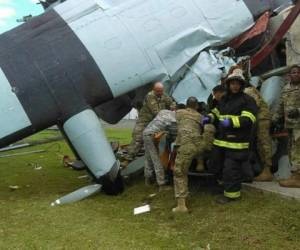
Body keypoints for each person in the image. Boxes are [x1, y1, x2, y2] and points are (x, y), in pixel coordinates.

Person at [206, 69, 258, 204]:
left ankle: (232, 195)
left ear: (241, 85)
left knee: (231, 169)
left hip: (237, 142)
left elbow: (249, 119)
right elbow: (217, 112)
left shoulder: (247, 100)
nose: (235, 86)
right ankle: (223, 186)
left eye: (237, 84)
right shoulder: (224, 99)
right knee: (214, 164)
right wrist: (209, 117)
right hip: (221, 141)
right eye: (232, 83)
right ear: (228, 84)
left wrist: (231, 122)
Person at [173, 97, 215, 213]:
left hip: (187, 146)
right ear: (197, 106)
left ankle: (181, 206)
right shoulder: (200, 116)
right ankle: (200, 164)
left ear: (187, 105)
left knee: (179, 172)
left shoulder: (179, 113)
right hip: (202, 146)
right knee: (197, 143)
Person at [123, 81, 175, 166]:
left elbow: (172, 103)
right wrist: (168, 113)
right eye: (157, 91)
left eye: (161, 91)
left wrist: (173, 107)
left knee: (161, 137)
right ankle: (128, 158)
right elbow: (156, 112)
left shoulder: (164, 95)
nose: (159, 93)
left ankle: (157, 158)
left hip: (157, 120)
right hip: (145, 120)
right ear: (154, 90)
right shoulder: (150, 96)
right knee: (138, 137)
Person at [273, 65, 300, 188]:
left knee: (297, 150)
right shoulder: (286, 89)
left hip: (299, 125)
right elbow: (280, 106)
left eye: (297, 72)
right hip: (289, 125)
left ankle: (297, 177)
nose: (295, 74)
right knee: (291, 149)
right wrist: (274, 120)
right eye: (293, 72)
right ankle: (294, 175)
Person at [244, 83, 273, 181]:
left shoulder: (248, 90)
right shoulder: (247, 90)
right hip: (259, 118)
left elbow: (255, 103)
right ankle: (265, 170)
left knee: (264, 143)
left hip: (262, 118)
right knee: (260, 143)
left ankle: (267, 170)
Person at [143, 109, 176, 191]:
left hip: (145, 133)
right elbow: (174, 135)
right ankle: (161, 184)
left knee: (148, 158)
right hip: (152, 135)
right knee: (156, 159)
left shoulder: (163, 111)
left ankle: (148, 179)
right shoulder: (174, 119)